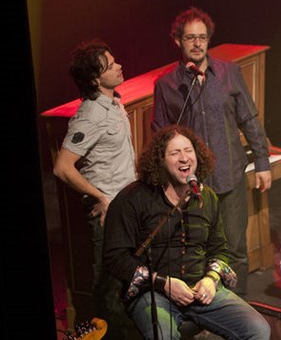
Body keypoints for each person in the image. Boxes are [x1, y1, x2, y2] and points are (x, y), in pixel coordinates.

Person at [103, 124, 271, 340]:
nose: (184, 158)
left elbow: (219, 249)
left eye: (188, 151)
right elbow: (114, 258)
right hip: (153, 292)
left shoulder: (207, 198)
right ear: (160, 161)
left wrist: (210, 279)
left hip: (199, 289)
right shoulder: (133, 199)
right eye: (175, 153)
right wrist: (164, 283)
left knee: (257, 329)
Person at [152, 7, 272, 297]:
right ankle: (207, 312)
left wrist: (263, 162)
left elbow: (249, 120)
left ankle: (239, 308)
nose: (197, 43)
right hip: (191, 185)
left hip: (229, 178)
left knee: (235, 249)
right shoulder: (167, 85)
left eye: (202, 37)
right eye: (190, 37)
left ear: (209, 40)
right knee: (199, 253)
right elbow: (160, 136)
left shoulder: (229, 73)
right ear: (178, 41)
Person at [53, 39, 137, 339]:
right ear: (94, 79)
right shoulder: (89, 115)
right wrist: (100, 197)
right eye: (110, 65)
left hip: (128, 209)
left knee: (128, 282)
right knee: (109, 285)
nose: (119, 66)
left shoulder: (115, 103)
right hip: (108, 213)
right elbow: (62, 166)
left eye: (115, 61)